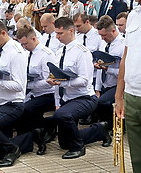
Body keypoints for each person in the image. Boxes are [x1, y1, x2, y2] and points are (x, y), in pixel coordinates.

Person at [0, 20, 44, 167]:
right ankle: (31, 137)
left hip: (12, 104)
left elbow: (19, 86)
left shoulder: (16, 53)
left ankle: (13, 149)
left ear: (4, 33)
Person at [46, 17, 111, 159]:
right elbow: (58, 78)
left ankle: (78, 147)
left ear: (71, 31)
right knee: (64, 143)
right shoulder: (59, 51)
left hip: (84, 97)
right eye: (56, 33)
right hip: (67, 98)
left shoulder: (82, 52)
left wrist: (62, 83)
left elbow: (84, 80)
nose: (57, 37)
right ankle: (99, 130)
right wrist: (58, 102)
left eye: (60, 33)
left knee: (62, 116)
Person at [115, 0, 141, 172]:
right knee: (137, 158)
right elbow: (126, 56)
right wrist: (119, 96)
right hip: (132, 95)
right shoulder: (133, 15)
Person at [94, 16, 125, 130]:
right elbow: (99, 68)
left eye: (104, 35)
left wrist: (108, 69)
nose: (102, 38)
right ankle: (105, 128)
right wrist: (97, 88)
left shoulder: (122, 46)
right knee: (97, 101)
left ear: (113, 30)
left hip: (118, 84)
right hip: (104, 82)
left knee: (104, 102)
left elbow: (124, 73)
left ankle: (113, 128)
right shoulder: (104, 43)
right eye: (100, 35)